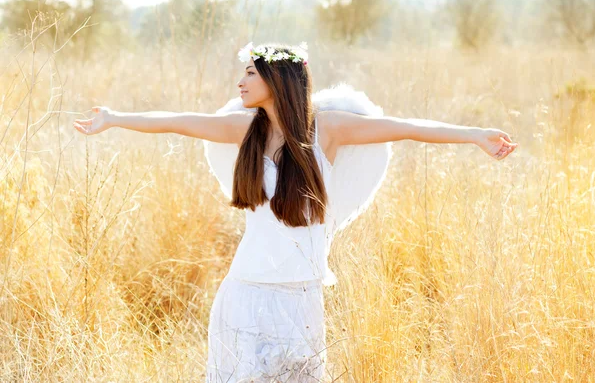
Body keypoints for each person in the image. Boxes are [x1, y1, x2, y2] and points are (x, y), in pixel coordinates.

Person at [73, 41, 518, 382]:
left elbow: (408, 128)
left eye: (250, 72)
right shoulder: (244, 129)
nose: (240, 81)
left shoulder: (328, 130)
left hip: (300, 296)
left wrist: (475, 134)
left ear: (278, 77)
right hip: (244, 292)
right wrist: (113, 117)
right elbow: (175, 120)